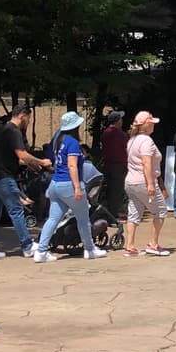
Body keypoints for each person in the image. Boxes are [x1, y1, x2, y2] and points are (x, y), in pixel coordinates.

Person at [0, 105, 51, 260]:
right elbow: (22, 155)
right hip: (4, 177)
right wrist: (42, 162)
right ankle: (27, 246)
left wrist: (33, 164)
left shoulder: (2, 130)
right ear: (22, 116)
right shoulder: (14, 131)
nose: (29, 121)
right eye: (28, 118)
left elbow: (16, 158)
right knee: (16, 211)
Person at [35, 111, 107, 263]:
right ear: (75, 126)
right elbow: (72, 166)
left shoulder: (58, 141)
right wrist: (77, 188)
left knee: (53, 218)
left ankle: (41, 251)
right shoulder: (73, 143)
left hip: (55, 184)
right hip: (69, 184)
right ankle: (89, 249)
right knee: (83, 218)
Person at [123, 110, 170, 257]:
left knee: (134, 212)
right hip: (143, 181)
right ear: (146, 125)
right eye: (152, 123)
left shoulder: (131, 140)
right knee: (160, 210)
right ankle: (153, 244)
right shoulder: (146, 141)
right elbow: (146, 163)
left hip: (130, 181)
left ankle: (129, 246)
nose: (154, 126)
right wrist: (151, 183)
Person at [100, 110, 129, 218]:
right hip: (119, 165)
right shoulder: (121, 134)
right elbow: (126, 148)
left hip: (107, 164)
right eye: (120, 119)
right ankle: (112, 215)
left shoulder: (105, 133)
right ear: (117, 121)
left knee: (108, 190)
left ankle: (107, 212)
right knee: (116, 191)